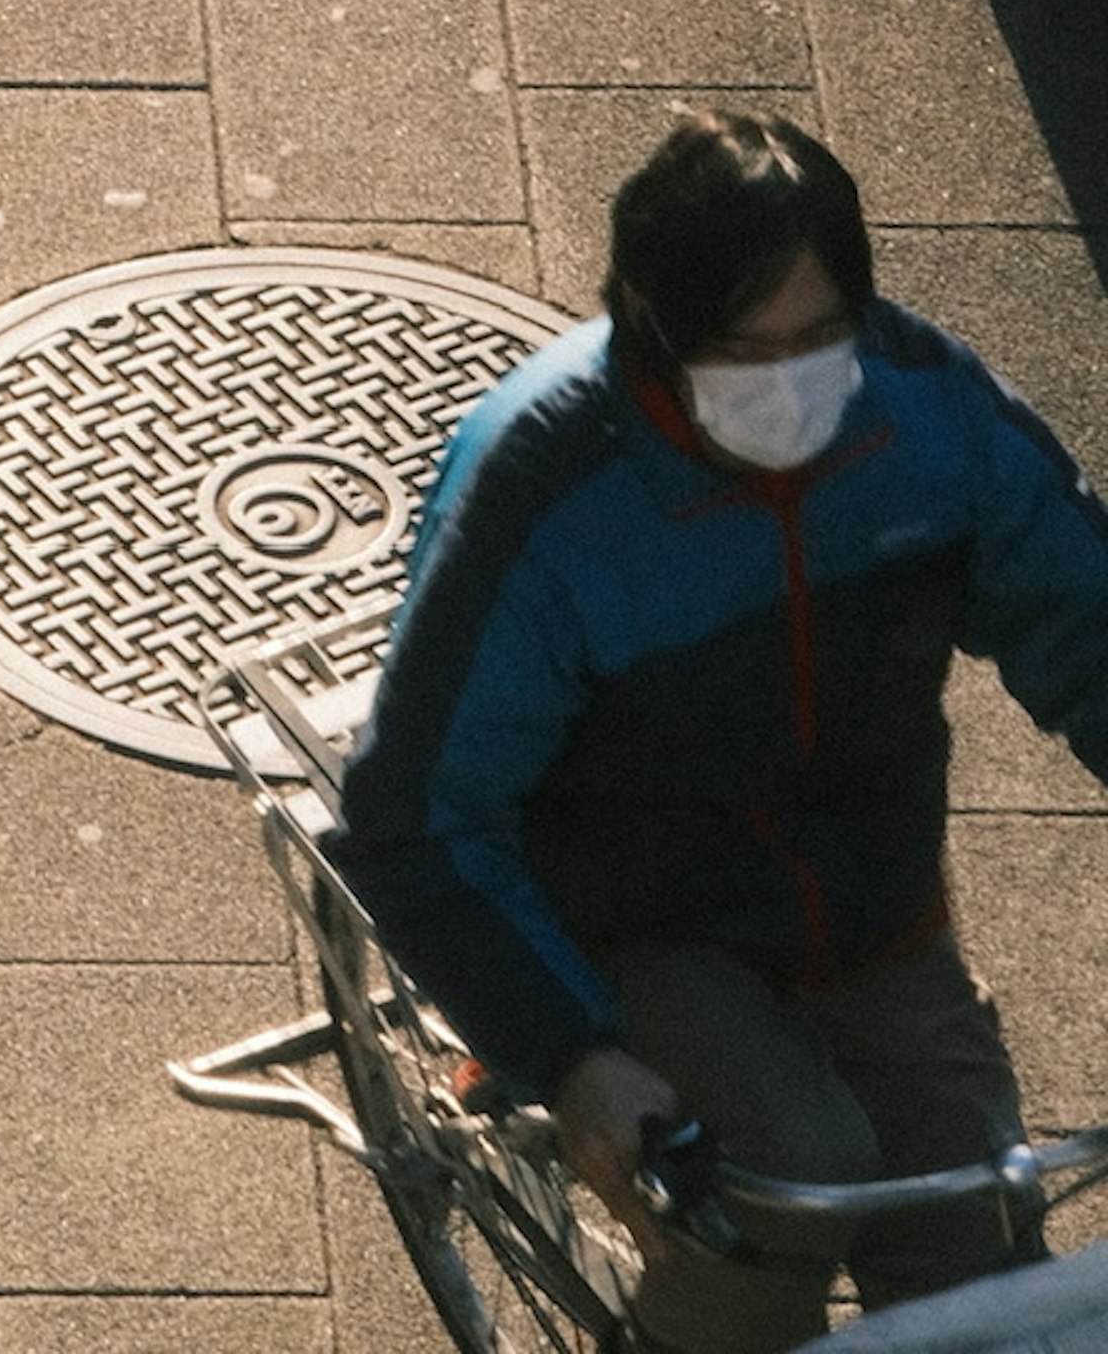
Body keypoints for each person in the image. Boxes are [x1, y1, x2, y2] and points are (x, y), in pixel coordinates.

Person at [338, 108, 1108, 1353]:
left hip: (874, 902)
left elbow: (1093, 628)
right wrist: (572, 1059)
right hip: (641, 925)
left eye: (822, 340)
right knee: (775, 1207)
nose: (794, 385)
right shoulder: (544, 490)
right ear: (652, 326)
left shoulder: (934, 420)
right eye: (749, 353)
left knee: (982, 1252)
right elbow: (417, 818)